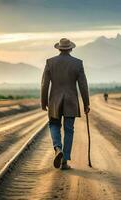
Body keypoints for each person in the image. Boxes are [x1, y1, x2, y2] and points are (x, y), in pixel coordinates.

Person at [41, 38, 90, 170]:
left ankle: (57, 148)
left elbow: (44, 84)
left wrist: (43, 102)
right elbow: (83, 85)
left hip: (55, 101)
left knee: (54, 124)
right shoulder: (77, 63)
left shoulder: (50, 62)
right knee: (69, 130)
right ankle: (64, 161)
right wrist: (86, 104)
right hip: (71, 101)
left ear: (59, 49)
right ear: (71, 49)